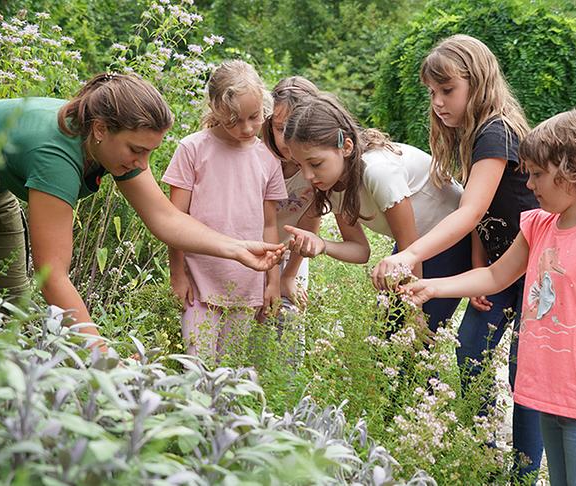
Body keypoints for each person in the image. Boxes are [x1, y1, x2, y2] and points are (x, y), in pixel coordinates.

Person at [0, 73, 283, 348]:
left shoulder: (113, 147)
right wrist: (103, 357)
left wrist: (236, 248)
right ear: (100, 129)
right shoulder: (55, 157)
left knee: (12, 309)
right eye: (137, 150)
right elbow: (52, 277)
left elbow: (165, 218)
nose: (142, 163)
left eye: (150, 151)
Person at [403, 108, 576, 486]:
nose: (530, 185)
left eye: (537, 174)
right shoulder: (538, 226)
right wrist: (435, 287)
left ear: (573, 169)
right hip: (547, 393)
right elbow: (494, 274)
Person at [370, 34, 544, 478]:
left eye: (447, 90)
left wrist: (409, 254)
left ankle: (521, 474)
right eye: (432, 93)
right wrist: (477, 265)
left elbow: (470, 211)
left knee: (525, 373)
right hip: (500, 268)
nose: (439, 102)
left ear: (478, 82)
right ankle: (487, 457)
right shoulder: (473, 133)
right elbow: (487, 215)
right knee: (469, 350)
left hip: (538, 267)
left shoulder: (496, 130)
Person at [281, 93, 471, 329]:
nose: (308, 176)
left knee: (413, 336)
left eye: (315, 164)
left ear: (346, 147)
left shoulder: (377, 171)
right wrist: (322, 244)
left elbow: (410, 247)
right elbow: (361, 251)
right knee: (388, 336)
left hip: (451, 240)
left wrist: (415, 311)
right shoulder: (333, 183)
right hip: (414, 247)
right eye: (301, 165)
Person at [163, 60, 287, 359]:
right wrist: (177, 275)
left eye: (254, 117)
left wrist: (272, 282)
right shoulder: (192, 149)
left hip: (245, 286)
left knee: (229, 370)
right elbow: (173, 221)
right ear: (215, 108)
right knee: (197, 364)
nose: (245, 128)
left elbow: (269, 225)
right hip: (198, 283)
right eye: (233, 120)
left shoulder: (268, 160)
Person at [262, 76, 322, 311]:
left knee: (289, 318)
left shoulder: (317, 166)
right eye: (280, 128)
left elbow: (310, 222)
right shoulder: (259, 158)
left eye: (296, 128)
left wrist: (288, 275)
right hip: (252, 248)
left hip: (291, 253)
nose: (288, 138)